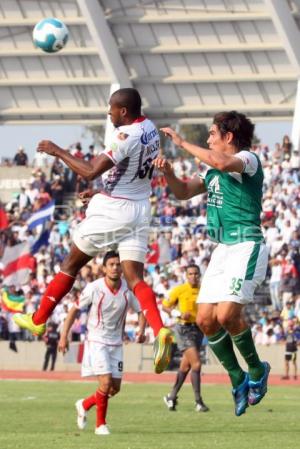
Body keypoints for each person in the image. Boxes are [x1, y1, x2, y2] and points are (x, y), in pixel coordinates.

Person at [14, 87, 172, 374]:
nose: (108, 112)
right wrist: (100, 193)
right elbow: (123, 173)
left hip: (115, 210)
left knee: (70, 264)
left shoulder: (126, 136)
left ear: (123, 111)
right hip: (139, 208)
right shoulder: (148, 127)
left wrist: (57, 151)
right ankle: (160, 330)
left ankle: (38, 319)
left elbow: (88, 171)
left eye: (111, 108)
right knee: (136, 278)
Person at [153, 110, 270, 416]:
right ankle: (238, 378)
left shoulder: (248, 159)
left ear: (228, 137)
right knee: (205, 319)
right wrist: (168, 173)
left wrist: (180, 142)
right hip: (222, 250)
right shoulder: (211, 172)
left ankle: (257, 370)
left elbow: (219, 161)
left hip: (247, 244)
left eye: (211, 134)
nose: (207, 140)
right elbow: (182, 193)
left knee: (228, 313)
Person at [58, 250, 146, 435]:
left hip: (116, 343)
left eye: (118, 264)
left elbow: (141, 310)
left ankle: (84, 404)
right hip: (97, 340)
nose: (115, 267)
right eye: (111, 264)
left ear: (122, 268)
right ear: (104, 268)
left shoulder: (128, 289)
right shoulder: (94, 288)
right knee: (105, 384)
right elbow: (74, 310)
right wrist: (63, 336)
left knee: (114, 389)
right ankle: (100, 425)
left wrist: (141, 330)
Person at [162, 264, 209, 412]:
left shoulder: (204, 290)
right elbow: (165, 306)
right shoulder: (180, 290)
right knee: (196, 365)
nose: (193, 276)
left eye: (196, 274)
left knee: (185, 366)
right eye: (190, 274)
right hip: (184, 328)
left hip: (198, 329)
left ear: (199, 275)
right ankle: (198, 401)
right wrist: (179, 314)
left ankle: (171, 396)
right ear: (186, 275)